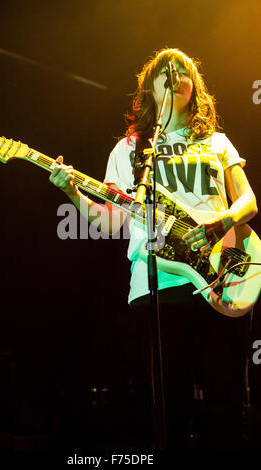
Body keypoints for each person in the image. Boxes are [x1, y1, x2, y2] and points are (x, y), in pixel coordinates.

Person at [49, 48, 258, 449]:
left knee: (226, 402)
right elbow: (111, 220)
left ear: (194, 87)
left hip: (225, 273)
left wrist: (222, 219)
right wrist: (73, 192)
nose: (177, 74)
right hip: (158, 283)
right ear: (150, 88)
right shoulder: (129, 150)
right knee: (166, 407)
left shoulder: (217, 142)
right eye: (167, 70)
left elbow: (248, 201)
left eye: (185, 70)